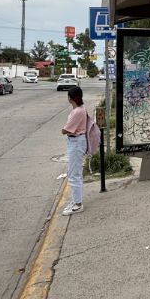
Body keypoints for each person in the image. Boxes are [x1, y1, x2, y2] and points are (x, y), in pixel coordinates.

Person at [60, 86, 88, 216]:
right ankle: (76, 200)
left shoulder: (77, 112)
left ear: (71, 98)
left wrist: (64, 130)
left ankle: (77, 204)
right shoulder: (79, 109)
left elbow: (66, 130)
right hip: (76, 141)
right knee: (75, 173)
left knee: (73, 175)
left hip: (76, 142)